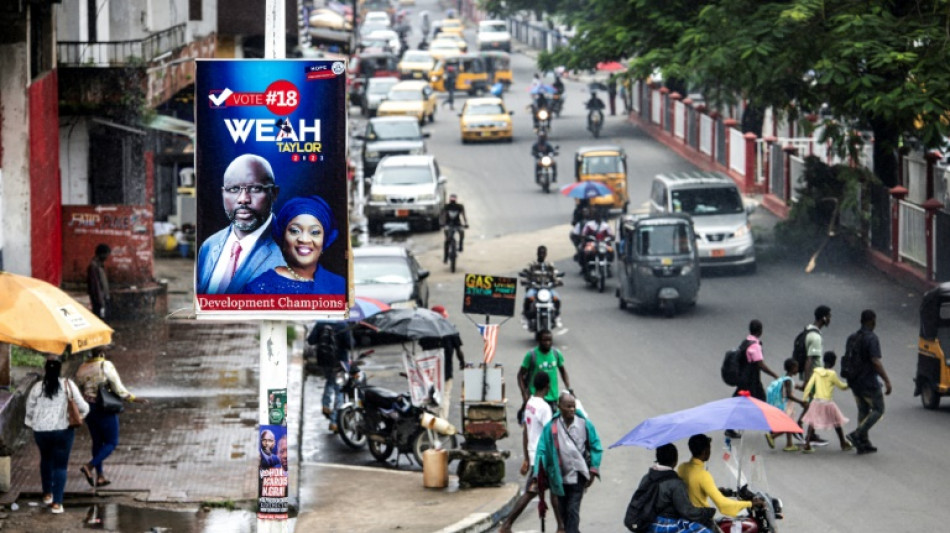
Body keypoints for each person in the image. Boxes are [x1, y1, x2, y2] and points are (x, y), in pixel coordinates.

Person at [196, 154, 285, 294]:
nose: (243, 199)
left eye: (255, 188)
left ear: (274, 193)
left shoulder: (291, 253)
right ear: (223, 194)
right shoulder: (209, 246)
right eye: (233, 189)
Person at [75, 347, 147, 488]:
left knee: (97, 442)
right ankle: (89, 466)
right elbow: (118, 388)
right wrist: (134, 398)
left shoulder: (82, 368)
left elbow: (80, 387)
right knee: (111, 442)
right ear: (102, 353)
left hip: (89, 408)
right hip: (104, 408)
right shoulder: (105, 365)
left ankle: (100, 476)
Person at [244, 195, 345, 295]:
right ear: (282, 237)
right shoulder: (258, 289)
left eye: (314, 232)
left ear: (324, 240)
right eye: (295, 231)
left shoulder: (339, 285)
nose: (304, 240)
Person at [25, 359, 89, 514]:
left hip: (41, 431)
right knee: (60, 466)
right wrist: (80, 415)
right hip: (63, 431)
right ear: (60, 370)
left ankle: (47, 494)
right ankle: (57, 503)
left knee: (45, 459)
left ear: (45, 370)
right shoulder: (68, 385)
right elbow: (83, 407)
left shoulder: (37, 387)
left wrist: (34, 423)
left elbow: (29, 410)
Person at [534, 391, 602, 533]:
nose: (572, 409)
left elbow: (596, 446)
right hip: (559, 478)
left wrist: (593, 470)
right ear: (559, 407)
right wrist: (538, 473)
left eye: (573, 406)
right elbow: (542, 450)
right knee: (564, 512)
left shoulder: (584, 424)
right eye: (568, 406)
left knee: (572, 510)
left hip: (578, 476)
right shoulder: (551, 427)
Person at [498, 372, 556, 533]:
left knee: (554, 489)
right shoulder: (544, 408)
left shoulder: (529, 403)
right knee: (532, 491)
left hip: (533, 454)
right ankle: (507, 524)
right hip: (542, 456)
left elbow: (525, 432)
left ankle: (561, 526)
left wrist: (526, 456)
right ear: (547, 386)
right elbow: (549, 436)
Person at [626, 443, 714, 533]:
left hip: (648, 522)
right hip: (665, 524)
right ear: (675, 461)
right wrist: (707, 512)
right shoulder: (675, 483)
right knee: (703, 530)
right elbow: (688, 512)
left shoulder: (647, 477)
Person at [677, 434, 762, 521]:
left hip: (686, 517)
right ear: (705, 452)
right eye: (709, 448)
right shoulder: (703, 475)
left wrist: (714, 490)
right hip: (701, 520)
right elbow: (723, 505)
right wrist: (750, 504)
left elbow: (693, 489)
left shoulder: (682, 468)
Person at [846, 309, 892, 455]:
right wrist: (887, 380)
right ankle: (857, 434)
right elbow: (875, 361)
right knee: (879, 409)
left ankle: (863, 443)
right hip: (868, 381)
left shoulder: (852, 337)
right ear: (872, 320)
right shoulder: (871, 338)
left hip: (854, 381)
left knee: (863, 410)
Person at [725, 319, 778, 439]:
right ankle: (771, 428)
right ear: (760, 331)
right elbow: (760, 364)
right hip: (751, 379)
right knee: (761, 401)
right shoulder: (755, 345)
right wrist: (774, 374)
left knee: (738, 402)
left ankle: (730, 427)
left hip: (743, 378)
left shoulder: (746, 342)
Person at [801, 351, 852, 453]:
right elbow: (842, 386)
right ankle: (843, 442)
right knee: (837, 422)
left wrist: (804, 399)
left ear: (823, 361)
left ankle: (807, 444)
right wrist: (850, 384)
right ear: (833, 363)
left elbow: (809, 386)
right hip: (827, 402)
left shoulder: (817, 372)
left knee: (812, 422)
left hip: (816, 401)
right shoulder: (832, 374)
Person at [797, 305, 832, 445]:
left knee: (813, 404)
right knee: (815, 404)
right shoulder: (815, 337)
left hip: (813, 376)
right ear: (823, 317)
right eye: (829, 316)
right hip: (814, 376)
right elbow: (809, 359)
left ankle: (806, 431)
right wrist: (807, 381)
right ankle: (801, 428)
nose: (830, 319)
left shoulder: (809, 329)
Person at [427, 305, 466, 419]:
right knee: (445, 395)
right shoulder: (451, 330)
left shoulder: (426, 331)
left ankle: (432, 420)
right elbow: (459, 350)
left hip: (430, 371)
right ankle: (442, 421)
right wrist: (462, 362)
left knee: (432, 396)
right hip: (446, 371)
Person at [517, 329, 571, 411]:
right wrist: (524, 395)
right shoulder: (531, 355)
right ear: (538, 341)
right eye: (544, 340)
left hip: (553, 399)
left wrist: (568, 388)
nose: (547, 343)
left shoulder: (556, 353)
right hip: (536, 398)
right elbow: (520, 375)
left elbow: (563, 372)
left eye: (550, 340)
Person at [765, 358, 807, 452]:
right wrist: (801, 402)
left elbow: (794, 386)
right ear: (792, 368)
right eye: (796, 367)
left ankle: (789, 444)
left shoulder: (785, 378)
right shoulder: (788, 380)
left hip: (787, 405)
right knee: (789, 425)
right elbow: (789, 395)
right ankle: (772, 436)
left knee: (789, 423)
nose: (797, 369)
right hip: (787, 405)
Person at [521, 245, 563, 319]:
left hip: (548, 289)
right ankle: (526, 313)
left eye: (543, 253)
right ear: (537, 253)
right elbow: (526, 274)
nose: (541, 255)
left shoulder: (550, 265)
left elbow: (555, 274)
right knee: (528, 297)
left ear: (546, 254)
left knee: (557, 298)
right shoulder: (532, 264)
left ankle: (556, 315)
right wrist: (525, 281)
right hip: (535, 288)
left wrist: (558, 281)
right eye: (540, 253)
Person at [440, 194, 468, 263]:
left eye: (453, 200)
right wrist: (442, 224)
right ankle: (446, 257)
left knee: (462, 232)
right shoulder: (446, 206)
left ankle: (460, 245)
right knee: (447, 240)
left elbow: (463, 215)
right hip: (448, 225)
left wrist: (466, 223)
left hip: (457, 224)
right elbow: (443, 216)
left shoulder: (460, 206)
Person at [87, 243, 112, 320]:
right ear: (101, 254)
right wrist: (101, 303)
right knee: (101, 319)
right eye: (107, 254)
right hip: (99, 302)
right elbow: (96, 287)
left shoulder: (99, 265)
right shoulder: (94, 267)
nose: (107, 257)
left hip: (103, 300)